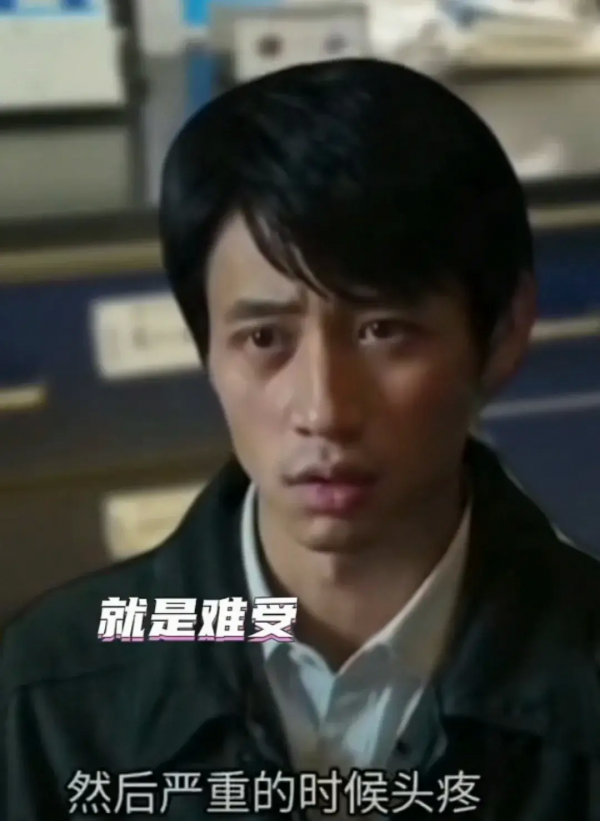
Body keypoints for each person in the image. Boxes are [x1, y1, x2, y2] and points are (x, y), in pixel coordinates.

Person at [1, 58, 600, 821]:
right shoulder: (53, 691)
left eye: (383, 329)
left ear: (505, 331)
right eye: (264, 338)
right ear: (205, 345)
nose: (323, 409)